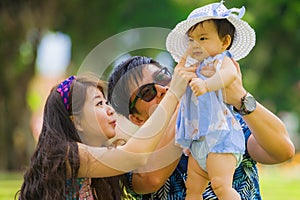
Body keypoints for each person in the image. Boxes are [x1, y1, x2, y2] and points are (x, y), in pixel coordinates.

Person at [107, 57, 294, 200]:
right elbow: (151, 179)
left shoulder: (220, 121)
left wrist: (240, 97)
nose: (163, 89)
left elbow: (281, 151)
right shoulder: (132, 154)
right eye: (147, 92)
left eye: (163, 78)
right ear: (136, 118)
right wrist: (181, 100)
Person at [16, 68, 190, 200]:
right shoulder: (65, 155)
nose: (109, 110)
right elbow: (136, 156)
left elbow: (149, 173)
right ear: (76, 121)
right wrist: (174, 94)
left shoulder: (103, 166)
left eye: (107, 102)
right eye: (99, 104)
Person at [165, 1, 256, 199]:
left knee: (221, 186)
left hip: (221, 138)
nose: (195, 45)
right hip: (198, 141)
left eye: (203, 38)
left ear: (224, 42)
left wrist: (207, 85)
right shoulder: (194, 67)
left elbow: (229, 75)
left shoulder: (222, 60)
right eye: (191, 40)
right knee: (193, 189)